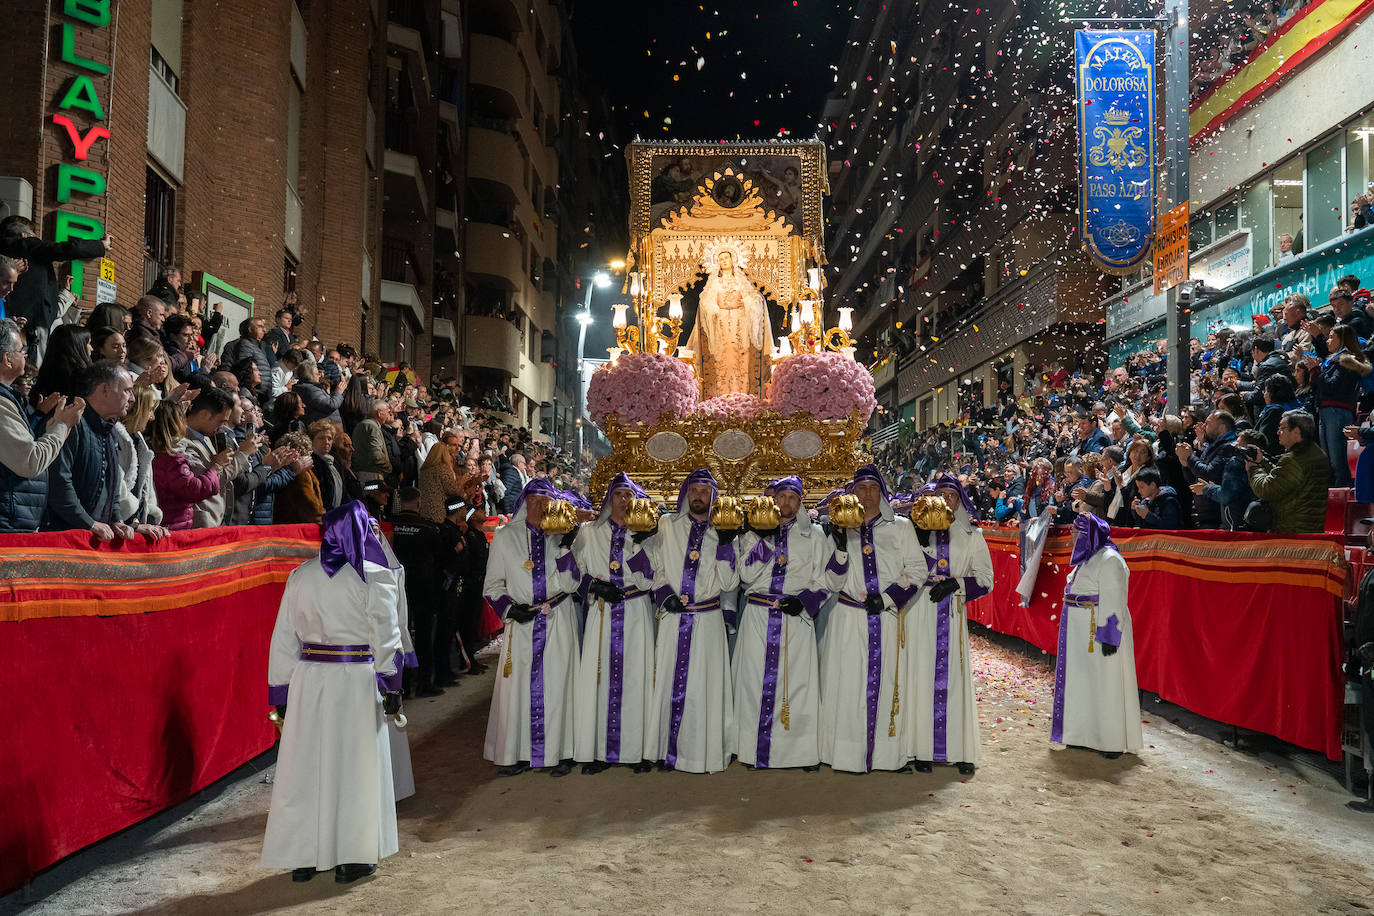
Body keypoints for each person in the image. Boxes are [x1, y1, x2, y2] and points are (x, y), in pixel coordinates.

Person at [261, 501, 405, 884]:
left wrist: (281, 693)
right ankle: (352, 857)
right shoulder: (374, 577)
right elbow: (386, 638)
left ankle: (304, 856)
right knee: (355, 765)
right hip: (355, 680)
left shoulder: (300, 575)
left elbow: (283, 638)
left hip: (309, 681)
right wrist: (391, 684)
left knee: (306, 764)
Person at [819, 464, 925, 773]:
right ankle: (845, 755)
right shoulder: (840, 528)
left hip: (887, 618)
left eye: (874, 489)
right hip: (848, 619)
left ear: (883, 493)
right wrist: (839, 548)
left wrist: (889, 597)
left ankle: (887, 756)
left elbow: (917, 570)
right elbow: (831, 582)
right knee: (847, 684)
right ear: (853, 493)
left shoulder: (901, 527)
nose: (868, 495)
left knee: (890, 682)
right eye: (862, 489)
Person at [640, 469, 741, 773]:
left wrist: (725, 544)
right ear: (686, 494)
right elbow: (651, 567)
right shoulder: (666, 526)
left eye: (705, 491)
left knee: (704, 686)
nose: (698, 496)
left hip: (708, 620)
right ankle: (664, 750)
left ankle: (701, 755)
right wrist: (662, 593)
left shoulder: (723, 530)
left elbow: (729, 582)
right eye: (694, 490)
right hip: (673, 618)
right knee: (668, 682)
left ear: (714, 496)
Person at [483, 478, 583, 776]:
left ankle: (562, 751)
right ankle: (518, 753)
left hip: (558, 618)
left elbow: (573, 583)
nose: (539, 506)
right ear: (524, 502)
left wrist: (566, 546)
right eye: (534, 500)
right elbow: (492, 585)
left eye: (545, 501)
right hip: (522, 625)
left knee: (560, 684)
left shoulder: (563, 536)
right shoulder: (505, 537)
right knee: (518, 690)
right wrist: (510, 609)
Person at [729, 476, 828, 770]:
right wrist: (765, 539)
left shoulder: (816, 536)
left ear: (800, 502)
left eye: (792, 498)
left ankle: (800, 753)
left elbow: (822, 578)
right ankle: (751, 749)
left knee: (798, 685)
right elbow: (745, 577)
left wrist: (805, 602)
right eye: (781, 497)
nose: (786, 503)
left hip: (795, 617)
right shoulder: (752, 536)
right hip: (758, 617)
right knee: (752, 683)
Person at [571, 472, 659, 774]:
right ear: (610, 499)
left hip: (635, 611)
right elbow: (574, 574)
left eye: (629, 495)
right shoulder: (590, 533)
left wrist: (637, 546)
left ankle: (637, 752)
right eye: (619, 495)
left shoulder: (646, 535)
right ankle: (597, 751)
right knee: (598, 679)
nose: (623, 500)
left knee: (637, 678)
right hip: (602, 611)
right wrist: (594, 588)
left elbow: (650, 579)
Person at [905, 476, 992, 776]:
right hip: (922, 610)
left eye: (952, 495)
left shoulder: (972, 535)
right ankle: (922, 749)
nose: (946, 500)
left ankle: (959, 749)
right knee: (921, 674)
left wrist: (956, 584)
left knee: (954, 679)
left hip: (952, 613)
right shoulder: (917, 531)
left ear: (960, 500)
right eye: (940, 494)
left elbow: (985, 579)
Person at [1051, 512, 1141, 758]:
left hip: (1099, 634)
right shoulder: (1086, 559)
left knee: (1106, 684)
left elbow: (1115, 600)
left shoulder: (1110, 559)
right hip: (1079, 634)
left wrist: (1110, 636)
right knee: (1082, 683)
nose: (1072, 535)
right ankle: (1080, 734)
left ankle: (1109, 740)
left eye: (1076, 531)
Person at [47, 363, 166, 542]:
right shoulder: (72, 421)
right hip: (64, 536)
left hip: (92, 535)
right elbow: (59, 481)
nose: (132, 398)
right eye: (127, 391)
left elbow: (112, 482)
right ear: (104, 390)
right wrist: (89, 523)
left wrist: (117, 520)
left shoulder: (108, 428)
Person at [0, 317, 83, 531]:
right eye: (21, 350)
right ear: (7, 359)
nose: (26, 354)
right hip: (8, 525)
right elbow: (30, 461)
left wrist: (47, 421)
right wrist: (62, 425)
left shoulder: (8, 399)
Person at [0, 215, 108, 362]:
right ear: (24, 235)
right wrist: (100, 246)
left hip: (10, 321)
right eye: (34, 235)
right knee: (32, 368)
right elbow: (65, 249)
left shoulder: (4, 253)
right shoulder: (28, 245)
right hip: (35, 322)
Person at [390, 486, 449, 698]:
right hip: (423, 586)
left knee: (399, 633)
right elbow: (441, 556)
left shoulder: (391, 526)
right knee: (424, 636)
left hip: (397, 587)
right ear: (418, 503)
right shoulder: (428, 528)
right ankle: (425, 682)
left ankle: (401, 685)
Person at [179, 385, 255, 527]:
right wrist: (242, 455)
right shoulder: (182, 443)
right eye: (221, 421)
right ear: (205, 415)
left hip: (215, 521)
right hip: (200, 524)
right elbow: (208, 484)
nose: (222, 427)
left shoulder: (207, 437)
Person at [1246, 410, 1330, 533]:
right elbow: (1283, 479)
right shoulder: (1316, 453)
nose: (1278, 432)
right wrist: (1262, 461)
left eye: (1282, 428)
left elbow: (1266, 489)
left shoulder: (1294, 459)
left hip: (1291, 530)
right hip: (1309, 527)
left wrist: (1253, 468)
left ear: (1296, 432)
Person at [149, 399, 226, 530]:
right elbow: (191, 489)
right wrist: (215, 467)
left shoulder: (158, 450)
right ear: (175, 422)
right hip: (173, 526)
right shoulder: (171, 456)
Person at [1309, 322, 1370, 487]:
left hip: (1337, 413)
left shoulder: (1347, 360)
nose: (1327, 341)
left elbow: (1332, 386)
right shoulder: (1334, 359)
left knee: (1338, 463)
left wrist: (1315, 370)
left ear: (1342, 340)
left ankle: (1342, 499)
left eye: (1330, 337)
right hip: (1326, 412)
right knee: (1329, 462)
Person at [418, 432, 465, 522]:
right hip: (438, 511)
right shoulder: (442, 468)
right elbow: (452, 490)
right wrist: (461, 482)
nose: (457, 449)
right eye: (454, 445)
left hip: (424, 511)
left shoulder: (424, 470)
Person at [352, 399, 393, 485]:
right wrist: (388, 467)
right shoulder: (372, 426)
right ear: (379, 413)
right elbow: (376, 454)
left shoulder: (363, 424)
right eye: (387, 411)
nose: (388, 414)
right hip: (372, 475)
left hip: (362, 473)